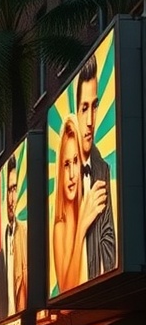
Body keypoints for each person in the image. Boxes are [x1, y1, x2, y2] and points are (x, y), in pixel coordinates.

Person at [52, 115, 106, 293]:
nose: (72, 174)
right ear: (60, 169)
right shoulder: (60, 226)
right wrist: (81, 228)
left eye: (76, 161)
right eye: (66, 164)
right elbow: (67, 290)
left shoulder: (91, 201)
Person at [76, 54, 116, 279]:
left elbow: (109, 236)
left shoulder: (103, 168)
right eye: (84, 108)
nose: (90, 120)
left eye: (95, 106)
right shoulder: (64, 173)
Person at [0, 154, 27, 322]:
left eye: (15, 189)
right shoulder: (1, 245)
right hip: (6, 322)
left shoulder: (27, 234)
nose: (12, 198)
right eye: (10, 189)